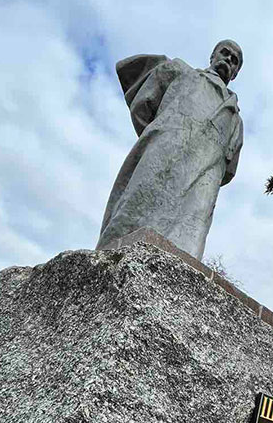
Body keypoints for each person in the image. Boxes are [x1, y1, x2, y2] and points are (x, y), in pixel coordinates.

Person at [96, 40, 244, 260]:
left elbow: (229, 170)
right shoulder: (181, 72)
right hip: (165, 152)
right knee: (136, 210)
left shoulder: (235, 119)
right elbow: (142, 104)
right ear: (213, 55)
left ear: (235, 74)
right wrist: (163, 134)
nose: (228, 60)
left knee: (186, 246)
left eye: (234, 61)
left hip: (204, 179)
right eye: (225, 53)